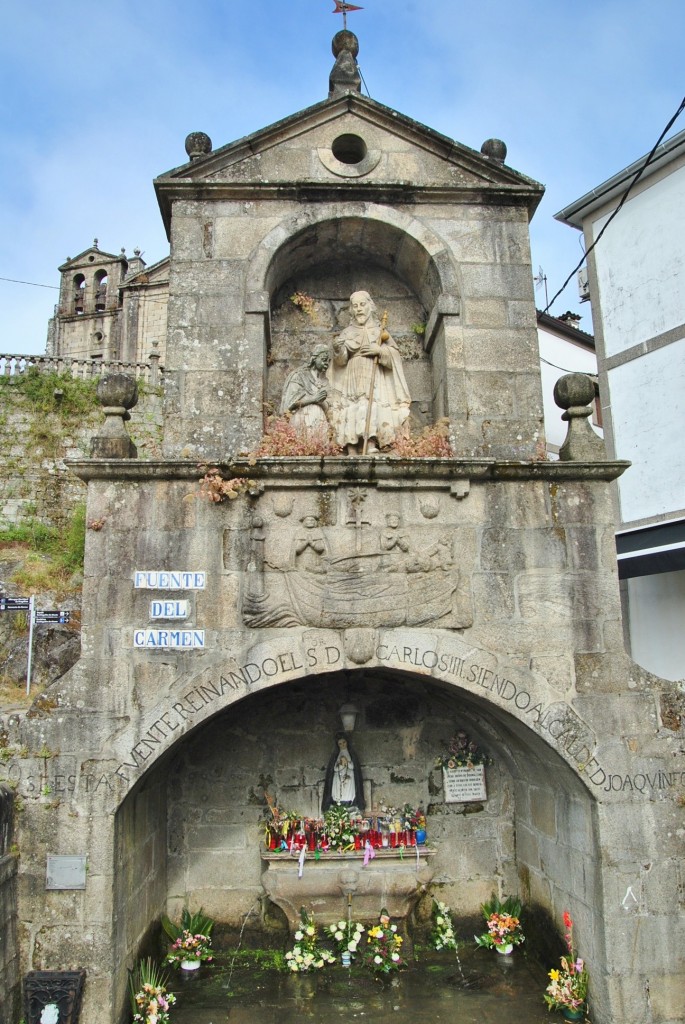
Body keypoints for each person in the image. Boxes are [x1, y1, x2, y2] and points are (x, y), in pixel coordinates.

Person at [329, 291, 411, 454]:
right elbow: (340, 362)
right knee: (351, 405)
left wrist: (379, 351)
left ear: (370, 307)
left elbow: (394, 355)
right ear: (351, 310)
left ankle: (371, 442)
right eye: (355, 306)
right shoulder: (347, 332)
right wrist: (339, 349)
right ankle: (351, 446)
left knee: (370, 404)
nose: (359, 309)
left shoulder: (380, 331)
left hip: (374, 373)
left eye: (362, 304)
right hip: (352, 374)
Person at [279, 344, 331, 440]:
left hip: (319, 418)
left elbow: (328, 407)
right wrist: (314, 399)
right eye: (324, 359)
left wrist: (321, 401)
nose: (327, 363)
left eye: (329, 361)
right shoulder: (299, 376)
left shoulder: (325, 381)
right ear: (314, 359)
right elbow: (290, 403)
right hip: (301, 416)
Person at [322, 733, 364, 811]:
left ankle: (349, 804)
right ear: (338, 745)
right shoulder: (336, 755)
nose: (342, 745)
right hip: (338, 778)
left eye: (344, 742)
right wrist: (341, 765)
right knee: (338, 791)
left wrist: (347, 763)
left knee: (348, 791)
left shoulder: (351, 754)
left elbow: (354, 767)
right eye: (340, 743)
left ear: (347, 742)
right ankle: (338, 803)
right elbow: (334, 768)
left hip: (349, 777)